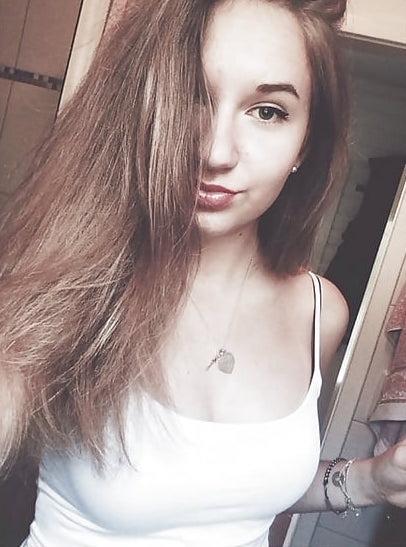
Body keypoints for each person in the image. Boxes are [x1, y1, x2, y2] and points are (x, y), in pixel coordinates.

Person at [0, 0, 406, 545]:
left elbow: (239, 492)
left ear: (306, 143)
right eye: (191, 95)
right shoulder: (72, 290)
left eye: (268, 111)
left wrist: (372, 480)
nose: (216, 151)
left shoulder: (319, 311)